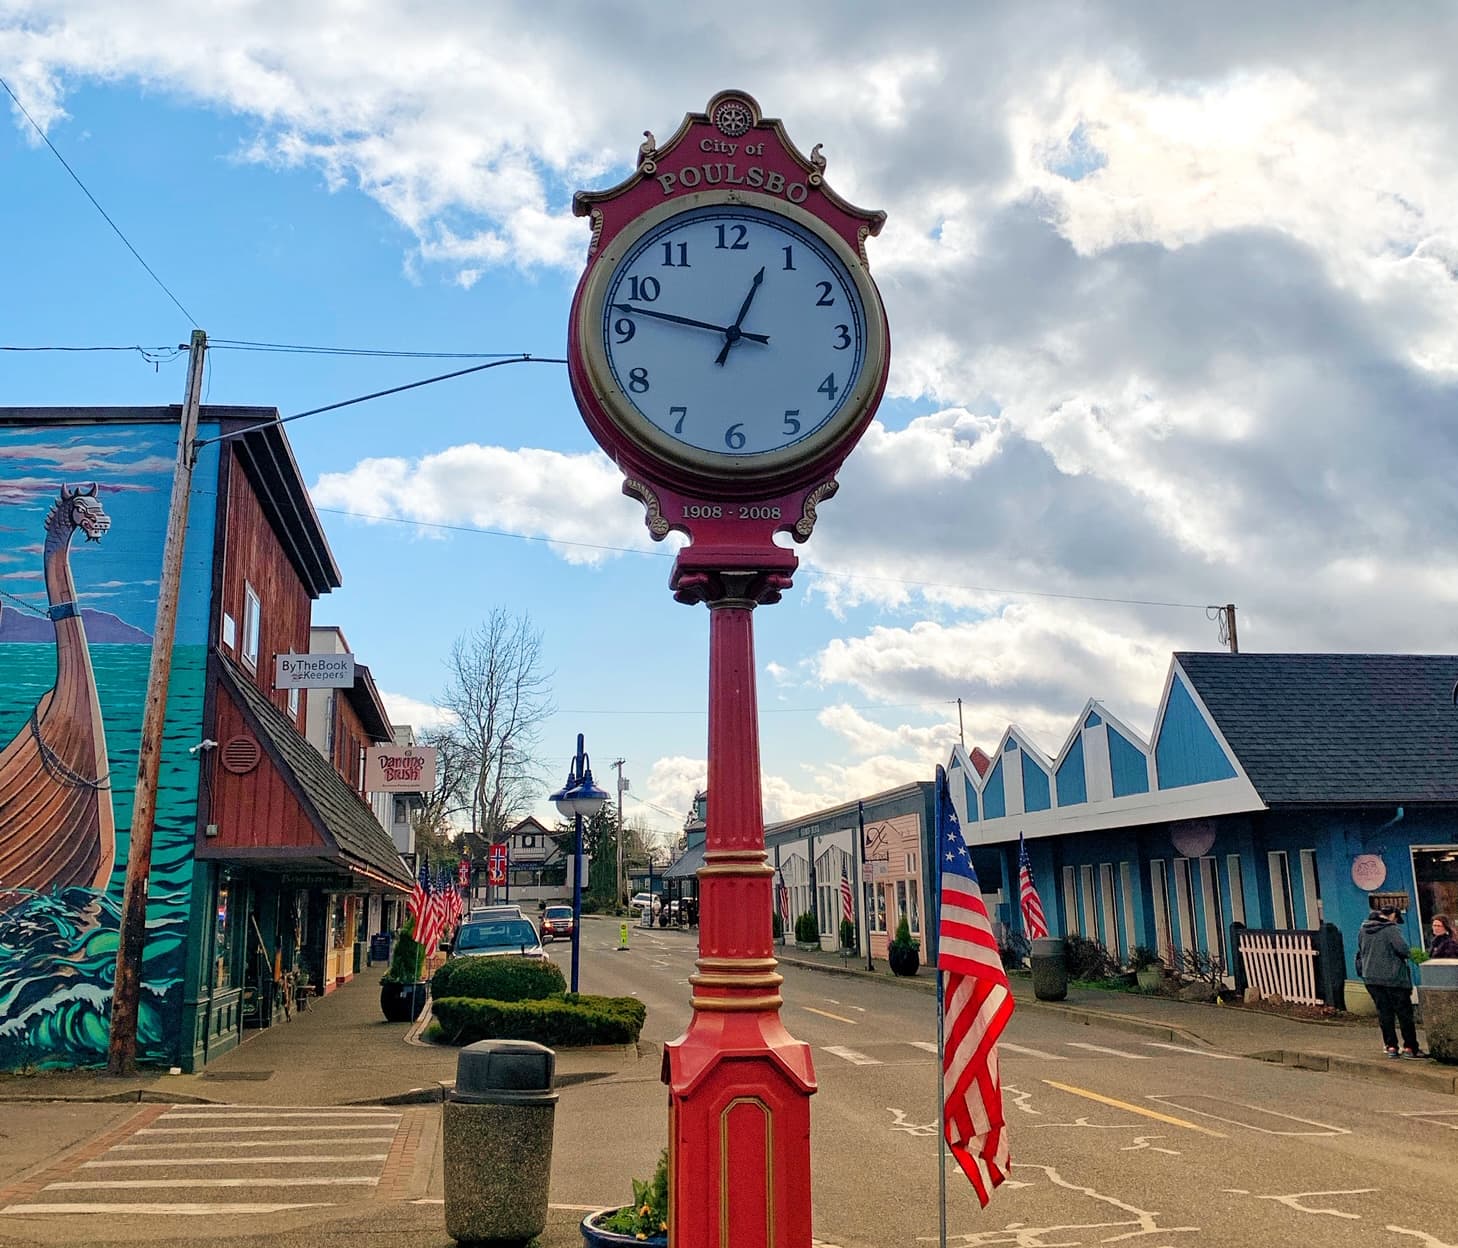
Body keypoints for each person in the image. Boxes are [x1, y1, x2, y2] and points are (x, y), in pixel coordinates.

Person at [1356, 906, 1423, 1058]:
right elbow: (1403, 949)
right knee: (1404, 1013)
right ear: (1393, 915)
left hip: (1371, 978)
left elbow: (1361, 950)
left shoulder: (1363, 929)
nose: (1396, 922)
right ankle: (1410, 1048)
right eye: (1396, 919)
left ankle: (1391, 1047)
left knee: (1384, 1013)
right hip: (1393, 978)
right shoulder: (1390, 929)